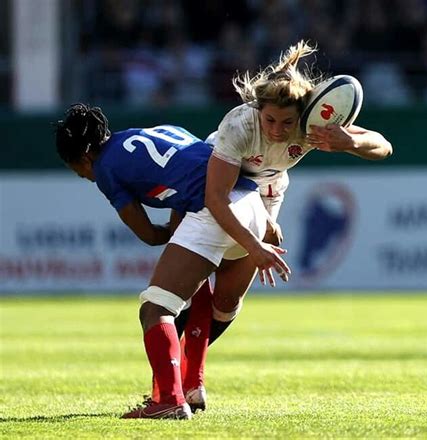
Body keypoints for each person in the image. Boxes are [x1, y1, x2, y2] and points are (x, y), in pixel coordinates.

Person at [179, 39, 393, 407]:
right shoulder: (241, 123)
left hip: (267, 190)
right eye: (270, 120)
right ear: (257, 109)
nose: (278, 130)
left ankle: (184, 366)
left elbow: (384, 146)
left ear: (302, 115)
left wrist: (349, 143)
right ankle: (186, 380)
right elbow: (218, 195)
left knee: (228, 298)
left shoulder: (312, 125)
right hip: (213, 184)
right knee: (199, 278)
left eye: (287, 122)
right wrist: (254, 240)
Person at [54, 103, 290, 420]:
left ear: (83, 158)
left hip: (216, 208)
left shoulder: (105, 169)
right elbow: (197, 167)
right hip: (251, 204)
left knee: (155, 307)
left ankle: (169, 400)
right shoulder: (155, 131)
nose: (84, 176)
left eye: (77, 170)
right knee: (196, 287)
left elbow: (149, 234)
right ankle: (191, 386)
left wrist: (167, 231)